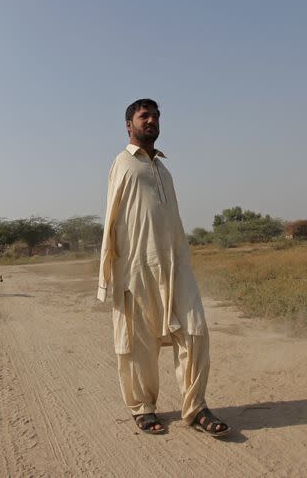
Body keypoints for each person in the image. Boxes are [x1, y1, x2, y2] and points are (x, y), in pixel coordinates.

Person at [97, 98, 231, 437]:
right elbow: (111, 220)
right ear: (129, 125)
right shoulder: (123, 164)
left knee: (195, 332)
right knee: (139, 345)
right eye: (144, 116)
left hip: (175, 265)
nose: (152, 120)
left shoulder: (164, 170)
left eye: (155, 116)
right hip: (137, 267)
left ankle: (196, 407)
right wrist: (107, 275)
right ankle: (142, 408)